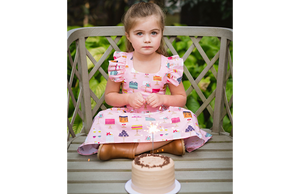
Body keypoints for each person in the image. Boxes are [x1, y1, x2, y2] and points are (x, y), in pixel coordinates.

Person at [77, 2, 212, 160]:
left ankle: (124, 150)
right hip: (129, 116)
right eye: (139, 33)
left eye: (153, 33)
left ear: (161, 33)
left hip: (159, 117)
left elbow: (181, 99)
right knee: (102, 118)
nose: (147, 39)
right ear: (128, 35)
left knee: (187, 117)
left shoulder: (169, 65)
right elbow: (110, 96)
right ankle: (168, 145)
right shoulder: (122, 62)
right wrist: (128, 98)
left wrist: (163, 99)